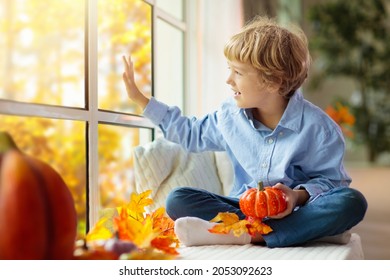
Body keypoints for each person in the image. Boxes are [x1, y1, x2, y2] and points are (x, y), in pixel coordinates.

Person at [122, 15, 367, 248]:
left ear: (273, 81)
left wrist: (296, 196)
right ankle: (285, 232)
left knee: (351, 202)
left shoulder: (319, 128)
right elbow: (191, 134)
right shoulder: (229, 116)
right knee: (178, 199)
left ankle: (251, 236)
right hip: (243, 208)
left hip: (298, 210)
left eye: (238, 72)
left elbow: (332, 183)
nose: (229, 80)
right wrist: (143, 101)